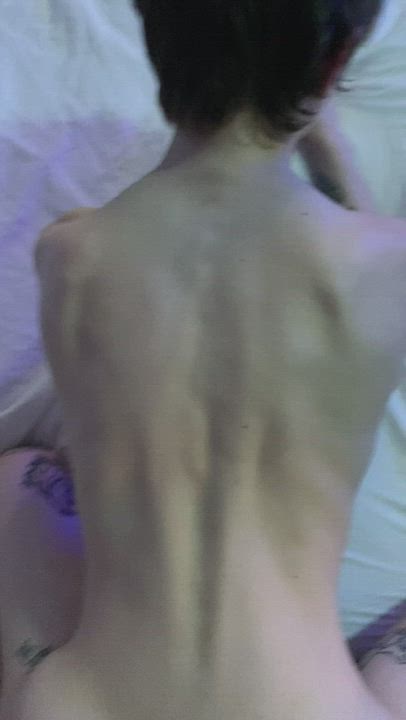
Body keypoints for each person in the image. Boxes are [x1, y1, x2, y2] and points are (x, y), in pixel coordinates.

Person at [3, 0, 406, 718]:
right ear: (336, 65)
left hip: (80, 706)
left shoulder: (70, 257)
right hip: (308, 708)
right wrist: (329, 149)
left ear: (153, 37)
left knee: (19, 474)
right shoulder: (383, 266)